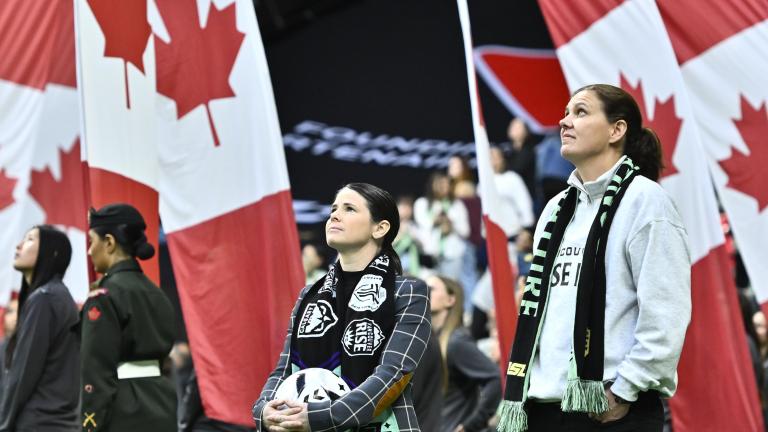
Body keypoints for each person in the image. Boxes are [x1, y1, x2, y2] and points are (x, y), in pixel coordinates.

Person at [498, 84, 691, 432]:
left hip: (610, 411)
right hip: (544, 409)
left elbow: (666, 313)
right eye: (567, 112)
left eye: (580, 112)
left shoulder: (646, 202)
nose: (564, 121)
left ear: (617, 130)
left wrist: (626, 388)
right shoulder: (556, 209)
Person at [252, 183, 431, 431]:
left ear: (380, 228)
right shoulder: (309, 294)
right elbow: (283, 370)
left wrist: (320, 417)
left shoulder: (407, 292)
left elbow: (393, 375)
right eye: (334, 208)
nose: (334, 215)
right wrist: (263, 410)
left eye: (349, 209)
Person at [81, 203, 177, 431]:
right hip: (162, 403)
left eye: (92, 242)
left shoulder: (103, 297)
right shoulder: (157, 293)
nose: (89, 251)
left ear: (109, 243)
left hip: (121, 409)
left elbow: (96, 370)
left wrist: (89, 424)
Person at [0, 225, 79, 431]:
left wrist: (4, 424)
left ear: (51, 253)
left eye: (30, 240)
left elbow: (24, 370)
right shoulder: (54, 296)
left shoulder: (44, 298)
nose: (18, 246)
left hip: (40, 422)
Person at [429, 275, 501, 432]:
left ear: (450, 300)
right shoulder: (428, 340)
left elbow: (495, 378)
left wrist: (471, 425)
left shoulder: (456, 342)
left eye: (431, 289)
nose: (425, 292)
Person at [414, 172, 470, 281]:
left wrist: (451, 224)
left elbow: (465, 232)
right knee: (429, 289)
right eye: (440, 184)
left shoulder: (457, 205)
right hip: (430, 256)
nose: (444, 187)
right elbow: (422, 224)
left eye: (447, 184)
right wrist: (436, 221)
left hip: (452, 255)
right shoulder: (422, 203)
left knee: (451, 288)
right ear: (432, 185)